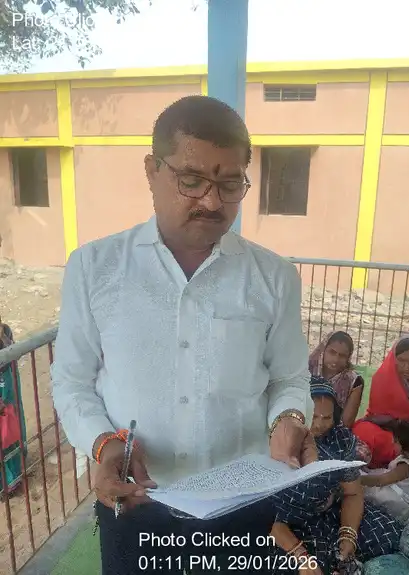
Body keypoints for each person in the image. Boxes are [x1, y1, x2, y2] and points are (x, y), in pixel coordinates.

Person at [51, 95, 316, 575]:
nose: (212, 202)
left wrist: (289, 418)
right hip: (137, 504)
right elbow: (72, 381)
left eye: (230, 184)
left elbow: (289, 378)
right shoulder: (94, 268)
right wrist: (104, 444)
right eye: (191, 180)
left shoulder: (274, 277)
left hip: (243, 506)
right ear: (152, 171)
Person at [271, 378, 402, 575]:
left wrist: (348, 534)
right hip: (282, 524)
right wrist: (300, 555)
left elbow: (353, 493)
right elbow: (263, 514)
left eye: (327, 418)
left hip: (328, 511)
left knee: (386, 534)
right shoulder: (279, 440)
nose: (318, 425)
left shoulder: (340, 439)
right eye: (313, 416)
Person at [352, 336, 409, 477]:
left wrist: (403, 424)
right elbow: (376, 415)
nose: (406, 367)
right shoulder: (384, 378)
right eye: (401, 360)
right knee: (363, 431)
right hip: (390, 433)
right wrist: (390, 423)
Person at [361, 420, 409, 524]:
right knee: (372, 474)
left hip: (396, 500)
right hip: (401, 490)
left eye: (396, 442)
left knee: (365, 489)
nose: (392, 442)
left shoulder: (405, 467)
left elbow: (381, 480)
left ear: (408, 452)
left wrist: (358, 479)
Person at [309, 331, 364, 428]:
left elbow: (346, 423)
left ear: (348, 357)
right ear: (323, 349)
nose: (335, 359)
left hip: (334, 432)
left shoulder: (354, 381)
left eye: (342, 356)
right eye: (332, 352)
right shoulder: (306, 370)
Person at [0, 317, 26, 499]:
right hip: (7, 386)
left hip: (5, 388)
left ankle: (10, 481)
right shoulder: (5, 331)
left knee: (7, 430)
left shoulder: (5, 332)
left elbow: (14, 355)